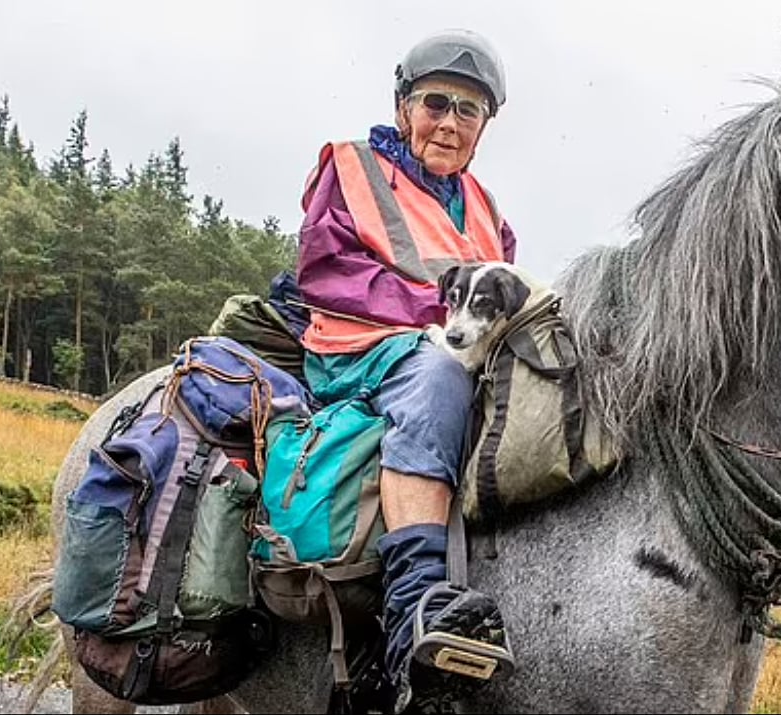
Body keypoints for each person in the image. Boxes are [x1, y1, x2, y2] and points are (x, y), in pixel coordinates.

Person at [294, 29, 516, 711]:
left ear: (483, 126)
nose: (449, 123)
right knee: (441, 377)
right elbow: (325, 269)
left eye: (467, 110)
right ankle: (414, 606)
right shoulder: (353, 167)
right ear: (403, 107)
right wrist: (434, 307)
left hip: (447, 344)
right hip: (359, 347)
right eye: (435, 103)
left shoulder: (485, 208)